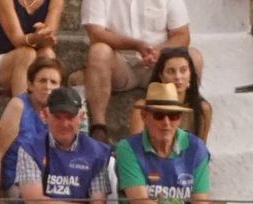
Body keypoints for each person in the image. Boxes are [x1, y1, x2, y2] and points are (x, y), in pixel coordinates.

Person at [114, 82, 217, 204]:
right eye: (159, 115)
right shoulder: (128, 148)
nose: (167, 122)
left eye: (174, 115)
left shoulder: (196, 148)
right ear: (145, 117)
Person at [81, 0, 195, 144]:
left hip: (160, 64)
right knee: (98, 51)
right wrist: (136, 45)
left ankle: (183, 125)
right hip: (121, 63)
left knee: (194, 58)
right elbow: (96, 34)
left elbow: (182, 34)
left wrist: (159, 52)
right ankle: (99, 127)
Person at [0, 55, 65, 202]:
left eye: (54, 82)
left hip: (52, 181)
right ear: (30, 84)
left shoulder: (61, 111)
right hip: (19, 180)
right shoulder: (18, 106)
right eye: (42, 80)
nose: (48, 87)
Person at [128, 47, 211, 141]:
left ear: (191, 73)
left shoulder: (202, 108)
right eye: (171, 71)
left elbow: (201, 151)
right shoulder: (143, 107)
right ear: (161, 76)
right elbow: (135, 149)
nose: (178, 77)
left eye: (183, 70)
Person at [0, 0, 61, 99]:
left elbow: (48, 35)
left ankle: (47, 110)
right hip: (2, 60)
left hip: (35, 56)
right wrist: (35, 38)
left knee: (47, 54)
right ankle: (21, 110)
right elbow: (16, 39)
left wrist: (45, 36)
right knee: (26, 54)